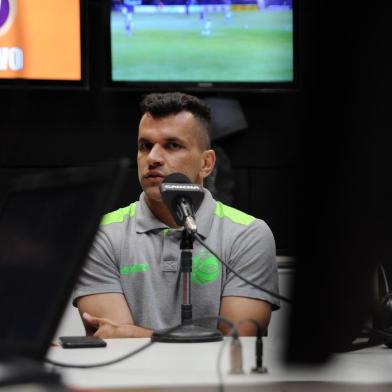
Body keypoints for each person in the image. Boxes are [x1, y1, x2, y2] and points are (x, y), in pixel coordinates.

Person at [72, 92, 279, 338]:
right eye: (145, 146)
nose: (153, 158)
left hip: (215, 378)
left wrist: (138, 334)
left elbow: (239, 342)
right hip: (131, 378)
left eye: (172, 145)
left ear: (207, 163)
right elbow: (114, 341)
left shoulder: (249, 233)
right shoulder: (99, 233)